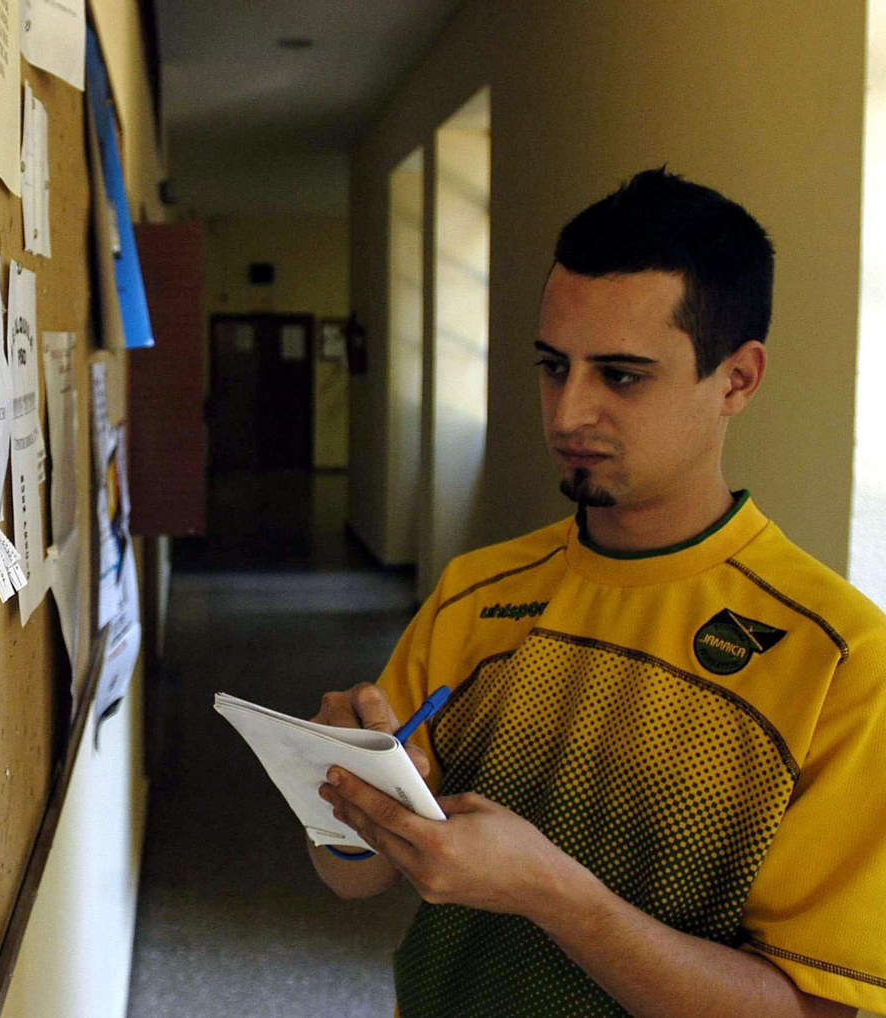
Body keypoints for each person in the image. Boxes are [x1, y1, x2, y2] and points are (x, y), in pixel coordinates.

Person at [311, 169, 885, 1017]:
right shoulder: (476, 592)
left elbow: (816, 1009)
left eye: (620, 376)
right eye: (553, 366)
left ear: (737, 379)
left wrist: (550, 891)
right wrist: (339, 796)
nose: (567, 412)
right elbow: (353, 879)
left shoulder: (840, 660)